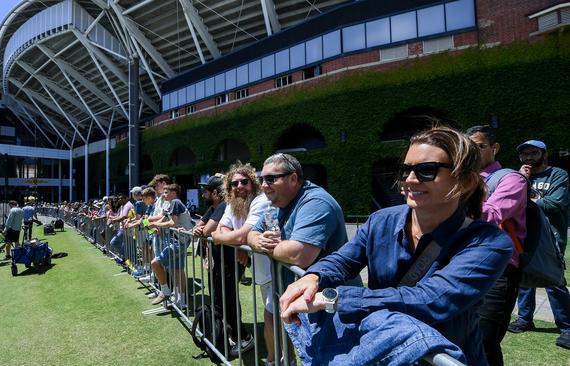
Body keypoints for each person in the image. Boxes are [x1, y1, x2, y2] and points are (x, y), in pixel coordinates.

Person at [278, 127, 513, 365]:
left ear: (465, 181)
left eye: (427, 171)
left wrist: (335, 299)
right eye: (405, 170)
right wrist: (315, 276)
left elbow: (432, 299)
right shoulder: (382, 220)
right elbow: (344, 260)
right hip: (383, 353)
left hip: (444, 357)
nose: (410, 179)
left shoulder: (489, 243)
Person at [248, 153, 351, 365]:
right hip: (298, 300)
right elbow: (250, 233)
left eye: (271, 178)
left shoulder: (316, 202)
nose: (264, 185)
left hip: (326, 305)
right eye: (262, 179)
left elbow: (299, 254)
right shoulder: (275, 205)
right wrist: (257, 241)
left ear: (293, 178)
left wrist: (265, 248)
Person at [466, 125, 529, 365]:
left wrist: (445, 201)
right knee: (459, 335)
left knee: (485, 340)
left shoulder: (512, 179)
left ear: (494, 148)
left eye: (478, 146)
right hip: (463, 263)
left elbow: (492, 213)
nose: (472, 152)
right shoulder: (462, 178)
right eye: (467, 147)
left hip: (499, 269)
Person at [507, 139, 570, 350]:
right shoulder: (520, 177)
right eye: (524, 155)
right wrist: (521, 179)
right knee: (524, 277)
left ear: (544, 154)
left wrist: (525, 202)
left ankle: (567, 327)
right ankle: (525, 319)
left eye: (533, 153)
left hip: (551, 236)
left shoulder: (558, 175)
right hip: (525, 235)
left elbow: (555, 202)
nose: (528, 158)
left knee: (553, 280)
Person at [212, 164, 270, 357]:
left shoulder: (261, 200)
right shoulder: (232, 203)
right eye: (234, 183)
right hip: (251, 258)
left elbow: (231, 234)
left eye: (244, 181)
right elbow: (222, 226)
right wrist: (239, 244)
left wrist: (229, 239)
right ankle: (243, 336)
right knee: (225, 293)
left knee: (276, 308)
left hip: (271, 262)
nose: (239, 186)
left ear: (253, 183)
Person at [149, 183, 194, 307]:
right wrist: (152, 223)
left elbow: (172, 222)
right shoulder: (171, 203)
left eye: (166, 192)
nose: (164, 195)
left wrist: (156, 225)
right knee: (177, 270)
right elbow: (163, 218)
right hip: (180, 240)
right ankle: (181, 300)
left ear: (174, 193)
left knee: (155, 263)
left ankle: (165, 292)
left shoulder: (175, 202)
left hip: (179, 241)